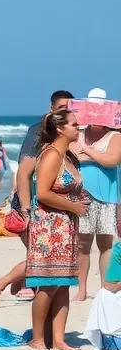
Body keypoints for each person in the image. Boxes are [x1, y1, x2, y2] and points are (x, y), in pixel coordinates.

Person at [0, 91, 73, 305]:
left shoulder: (70, 133)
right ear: (52, 108)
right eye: (62, 107)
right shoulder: (38, 132)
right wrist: (27, 211)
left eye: (70, 107)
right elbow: (24, 174)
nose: (66, 110)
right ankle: (3, 282)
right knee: (41, 258)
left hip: (54, 210)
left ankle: (22, 284)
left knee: (44, 258)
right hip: (33, 205)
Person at [25, 109, 86, 350]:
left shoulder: (67, 156)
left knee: (63, 283)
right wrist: (74, 206)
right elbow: (42, 192)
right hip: (49, 229)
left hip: (66, 227)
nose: (78, 127)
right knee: (48, 283)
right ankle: (38, 338)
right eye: (74, 124)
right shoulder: (51, 155)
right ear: (60, 129)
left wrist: (79, 203)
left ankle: (59, 339)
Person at [72, 89, 121, 302]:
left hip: (107, 196)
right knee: (82, 244)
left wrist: (88, 151)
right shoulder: (78, 132)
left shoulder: (115, 135)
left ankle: (104, 287)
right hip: (82, 194)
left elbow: (112, 161)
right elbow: (72, 155)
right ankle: (82, 289)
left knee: (105, 244)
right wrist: (97, 155)